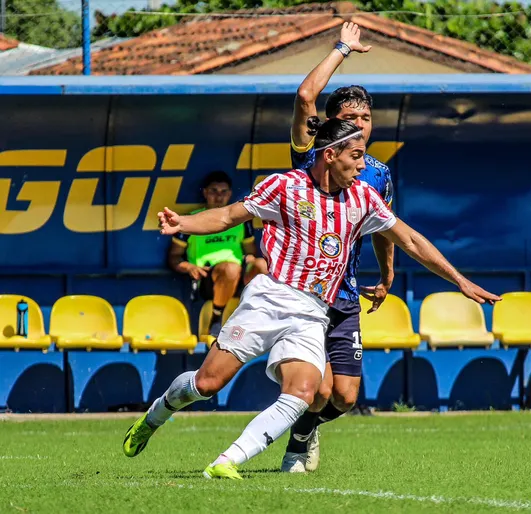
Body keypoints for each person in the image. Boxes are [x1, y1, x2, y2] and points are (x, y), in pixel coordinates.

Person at [122, 118, 500, 480]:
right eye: (356, 155)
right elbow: (227, 217)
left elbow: (411, 239)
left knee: (303, 392)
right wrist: (183, 224)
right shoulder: (284, 187)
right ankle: (155, 415)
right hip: (269, 299)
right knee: (206, 385)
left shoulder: (363, 197)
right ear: (331, 155)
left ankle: (227, 461)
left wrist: (459, 280)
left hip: (312, 312)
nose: (362, 163)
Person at [282, 21, 391, 473]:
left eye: (365, 119)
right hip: (306, 293)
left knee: (344, 398)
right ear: (331, 124)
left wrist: (387, 277)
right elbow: (306, 98)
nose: (359, 126)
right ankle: (297, 440)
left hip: (347, 293)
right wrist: (342, 48)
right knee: (320, 390)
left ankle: (306, 430)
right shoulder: (311, 154)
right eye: (350, 118)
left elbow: (386, 229)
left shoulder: (379, 173)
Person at [167, 171, 267, 336]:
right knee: (230, 269)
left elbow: (250, 252)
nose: (219, 197)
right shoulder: (190, 220)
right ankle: (216, 318)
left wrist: (250, 259)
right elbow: (174, 257)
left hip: (239, 275)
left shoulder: (241, 220)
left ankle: (260, 315)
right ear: (205, 192)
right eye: (214, 191)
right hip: (208, 278)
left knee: (261, 265)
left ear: (229, 194)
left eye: (223, 192)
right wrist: (188, 267)